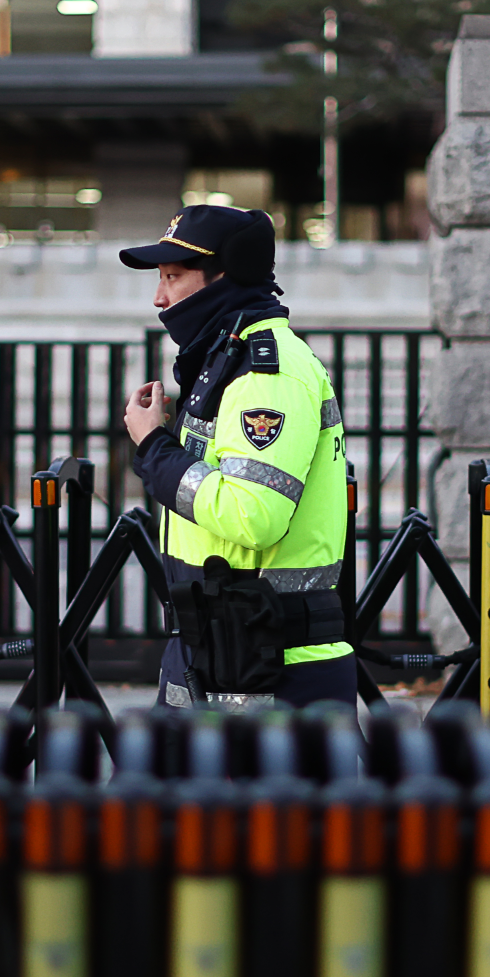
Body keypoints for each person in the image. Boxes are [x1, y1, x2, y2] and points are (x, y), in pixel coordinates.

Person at [120, 203, 355, 709]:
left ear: (227, 276)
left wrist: (153, 447)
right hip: (220, 652)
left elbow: (254, 514)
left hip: (272, 666)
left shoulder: (265, 373)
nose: (159, 298)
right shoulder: (226, 360)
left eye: (174, 276)